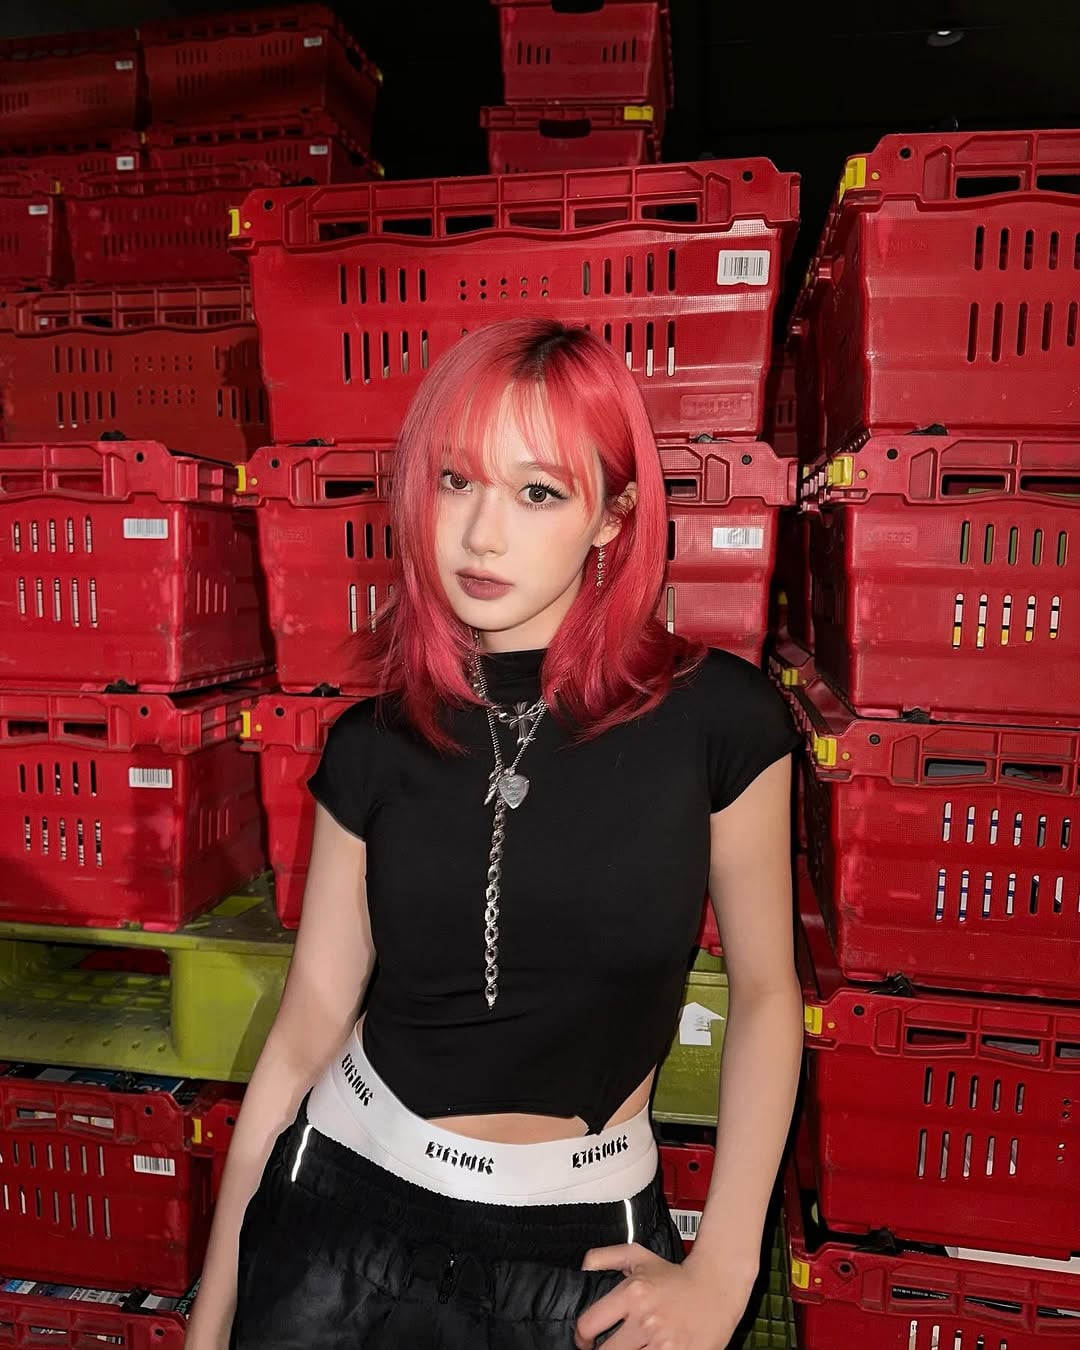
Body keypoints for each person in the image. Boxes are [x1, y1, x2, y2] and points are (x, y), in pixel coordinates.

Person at [185, 318, 804, 1350]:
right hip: (341, 1207)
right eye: (456, 480)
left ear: (612, 516)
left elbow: (770, 992)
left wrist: (726, 1270)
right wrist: (214, 1312)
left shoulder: (720, 721)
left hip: (580, 1245)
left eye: (538, 492)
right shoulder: (374, 743)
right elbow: (307, 1028)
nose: (480, 535)